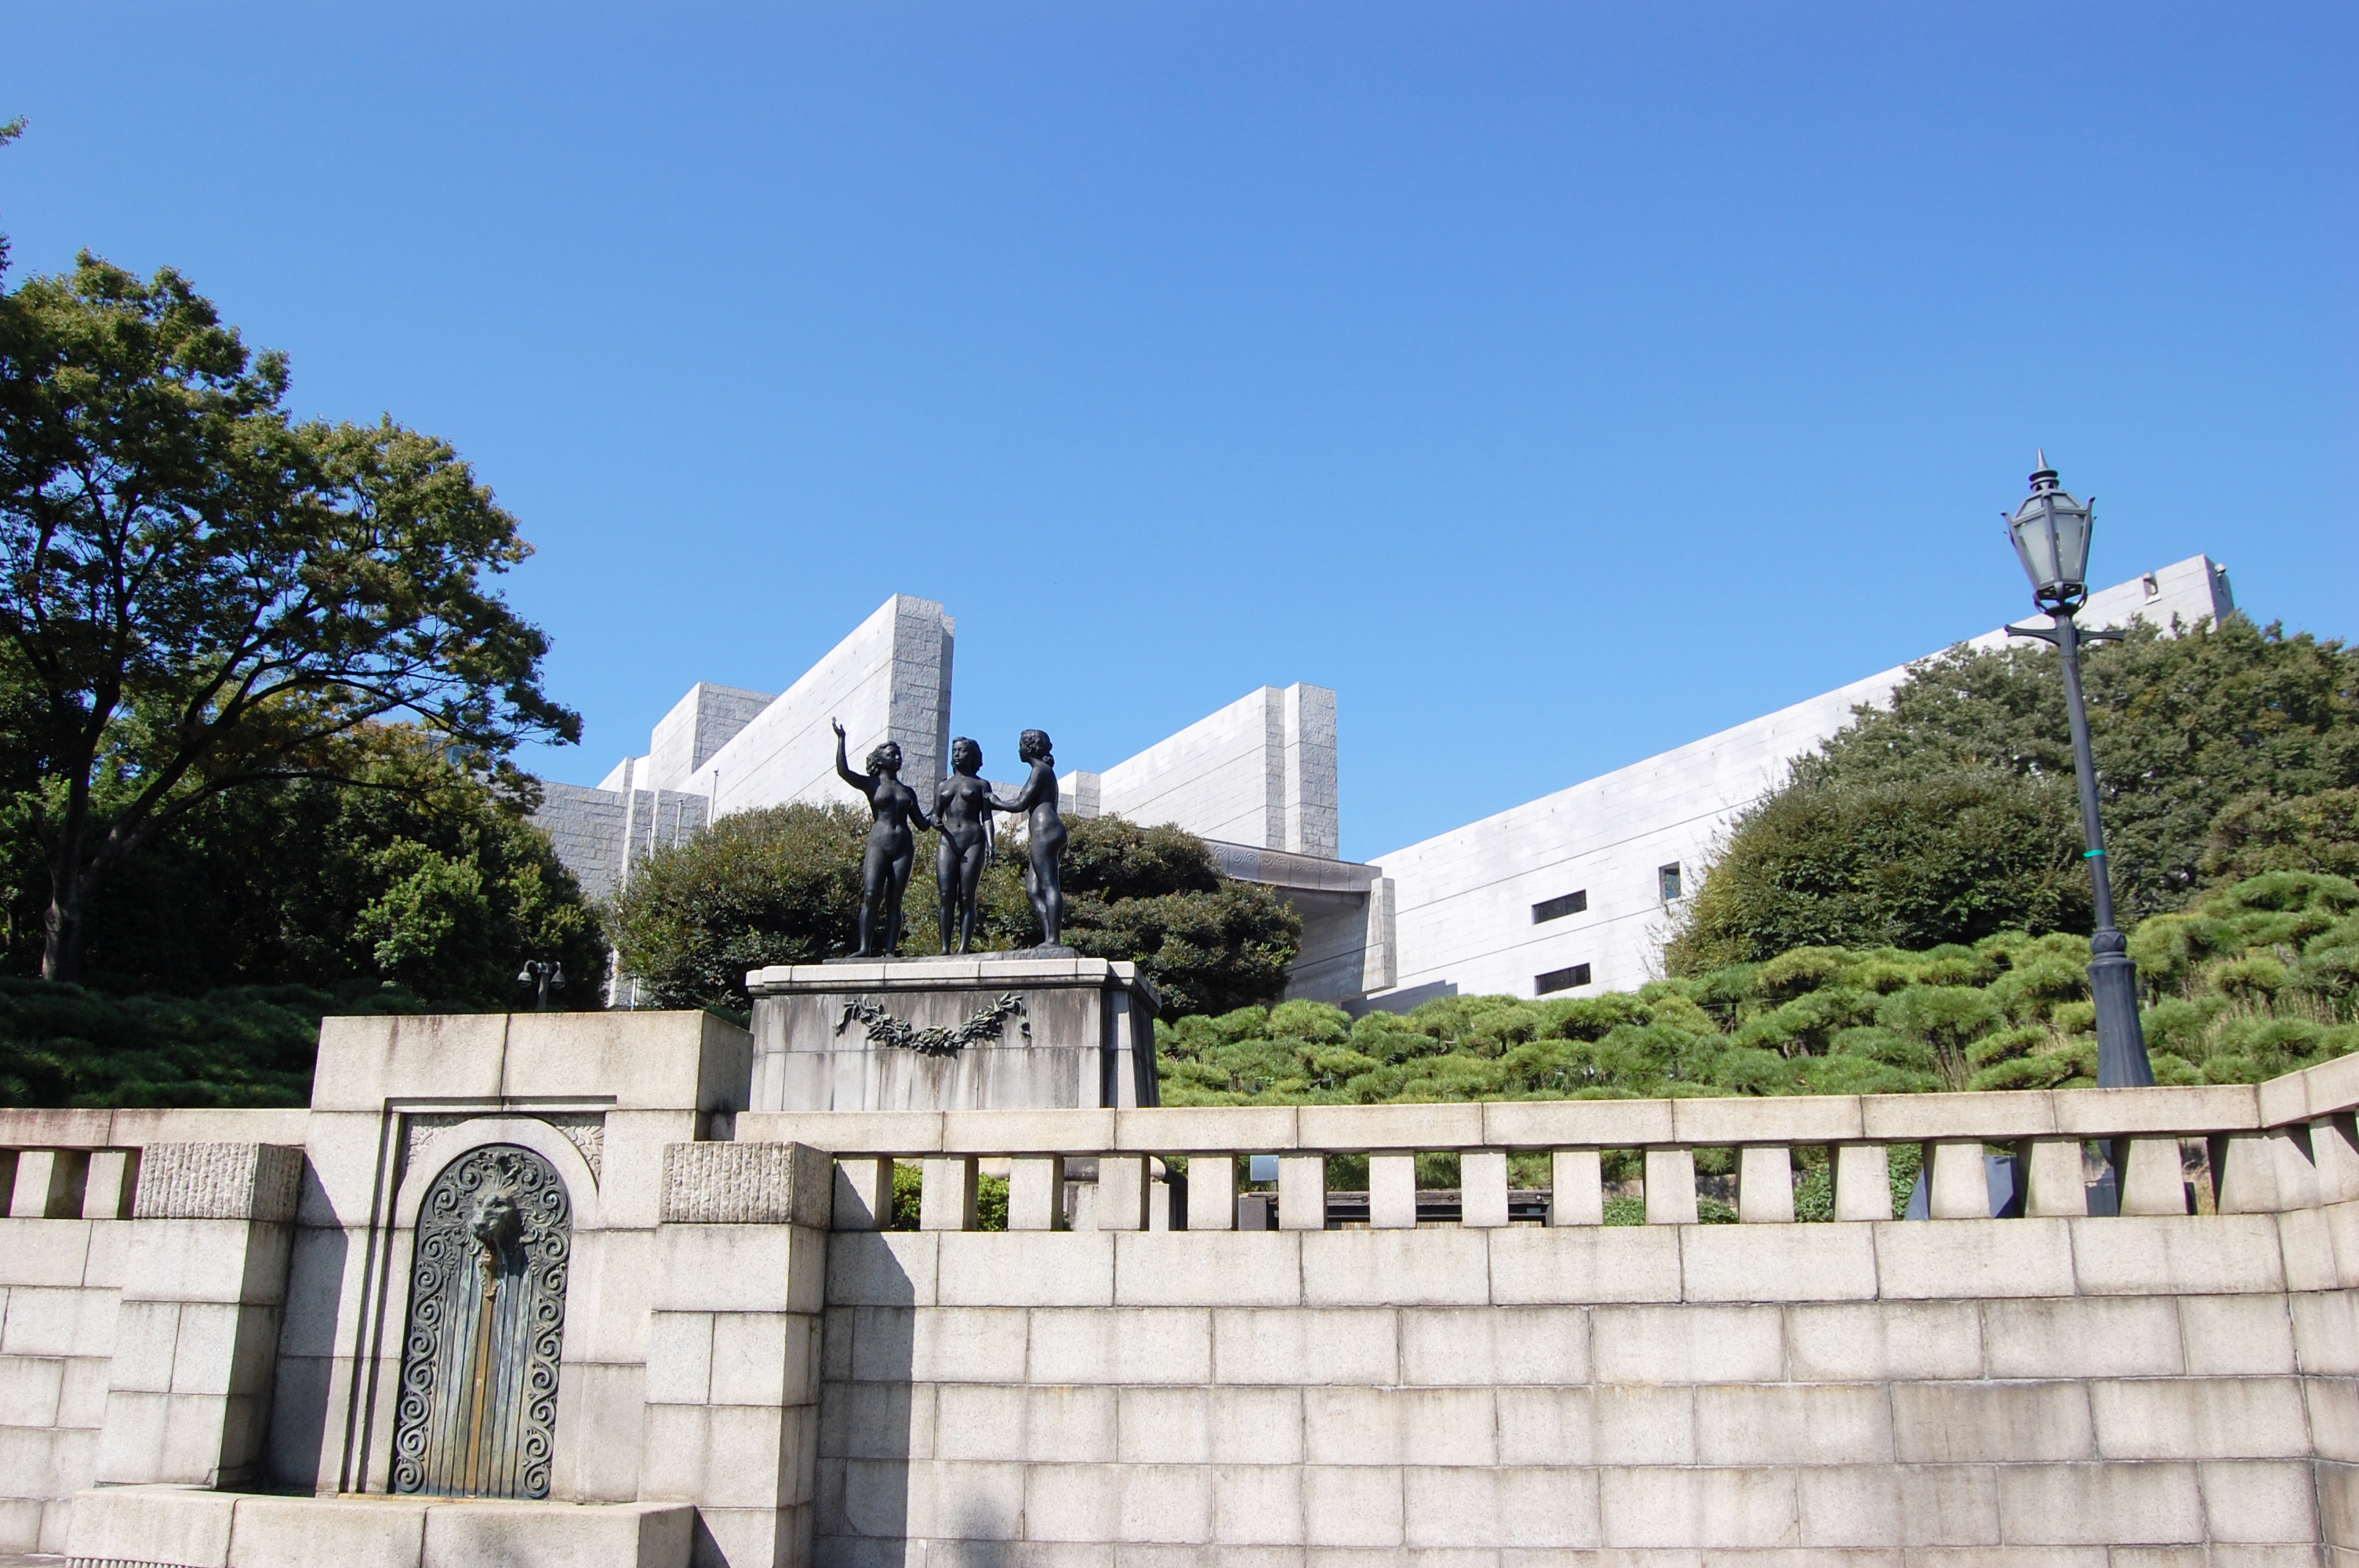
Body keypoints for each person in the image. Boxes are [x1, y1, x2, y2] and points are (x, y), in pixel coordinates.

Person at [831, 719, 933, 957]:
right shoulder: (872, 784)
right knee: (871, 895)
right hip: (879, 844)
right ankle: (864, 948)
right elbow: (844, 772)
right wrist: (841, 740)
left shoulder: (908, 791)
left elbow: (921, 824)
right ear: (880, 760)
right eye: (892, 755)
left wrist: (937, 812)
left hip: (903, 846)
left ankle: (889, 951)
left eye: (899, 755)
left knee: (895, 901)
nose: (897, 758)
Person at [992, 728, 1068, 949]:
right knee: (1033, 891)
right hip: (1046, 832)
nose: (1019, 750)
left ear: (1031, 747)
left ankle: (1053, 940)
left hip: (1046, 831)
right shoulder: (1042, 770)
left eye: (1021, 746)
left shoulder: (1040, 770)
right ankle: (1049, 937)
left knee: (1049, 885)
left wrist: (993, 801)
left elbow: (1020, 804)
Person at [933, 737, 996, 954]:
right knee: (946, 895)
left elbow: (987, 817)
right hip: (948, 841)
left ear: (972, 755)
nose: (957, 754)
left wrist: (991, 844)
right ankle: (944, 947)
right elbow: (935, 814)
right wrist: (934, 821)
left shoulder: (981, 785)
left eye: (962, 750)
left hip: (973, 841)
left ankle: (963, 948)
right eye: (955, 751)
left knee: (967, 897)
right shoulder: (943, 785)